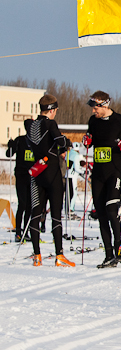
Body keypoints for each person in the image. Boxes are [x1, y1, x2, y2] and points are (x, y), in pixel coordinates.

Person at [85, 90, 121, 268]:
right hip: (98, 172)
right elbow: (91, 139)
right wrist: (87, 141)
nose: (93, 111)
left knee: (111, 210)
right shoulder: (93, 121)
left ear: (104, 105)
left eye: (95, 108)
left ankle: (118, 247)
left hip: (114, 172)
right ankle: (108, 254)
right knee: (101, 215)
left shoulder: (120, 121)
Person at [23, 95, 75, 267]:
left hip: (37, 173)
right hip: (52, 173)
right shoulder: (50, 123)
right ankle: (59, 255)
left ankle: (37, 255)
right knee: (55, 216)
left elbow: (33, 138)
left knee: (36, 214)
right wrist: (66, 142)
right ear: (52, 110)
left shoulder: (30, 125)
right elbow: (60, 140)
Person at [5, 134, 33, 243]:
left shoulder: (36, 140)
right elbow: (9, 154)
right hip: (21, 176)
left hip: (32, 176)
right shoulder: (20, 140)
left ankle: (26, 231)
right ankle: (18, 232)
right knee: (23, 204)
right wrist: (10, 146)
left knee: (29, 206)